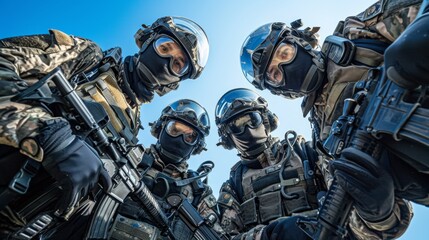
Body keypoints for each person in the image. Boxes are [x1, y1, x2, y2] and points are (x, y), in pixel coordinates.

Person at [0, 16, 209, 239]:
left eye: (178, 64)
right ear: (148, 41)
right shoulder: (90, 60)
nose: (167, 61)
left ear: (176, 81)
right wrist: (46, 132)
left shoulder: (131, 126)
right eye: (165, 48)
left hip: (24, 223)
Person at [238, 0, 422, 238]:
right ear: (279, 90)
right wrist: (378, 212)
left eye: (285, 54)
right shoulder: (324, 143)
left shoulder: (357, 36)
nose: (284, 68)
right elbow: (372, 226)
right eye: (274, 74)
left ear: (300, 43)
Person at [214, 88, 411, 240]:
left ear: (266, 120)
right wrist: (268, 235)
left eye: (252, 119)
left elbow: (356, 216)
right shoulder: (233, 185)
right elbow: (224, 236)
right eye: (237, 126)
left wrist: (378, 212)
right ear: (228, 138)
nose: (247, 129)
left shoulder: (308, 152)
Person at [111, 98, 226, 239]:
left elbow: (215, 235)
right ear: (161, 128)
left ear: (196, 145)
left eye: (190, 136)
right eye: (175, 129)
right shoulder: (127, 158)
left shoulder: (199, 193)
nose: (180, 138)